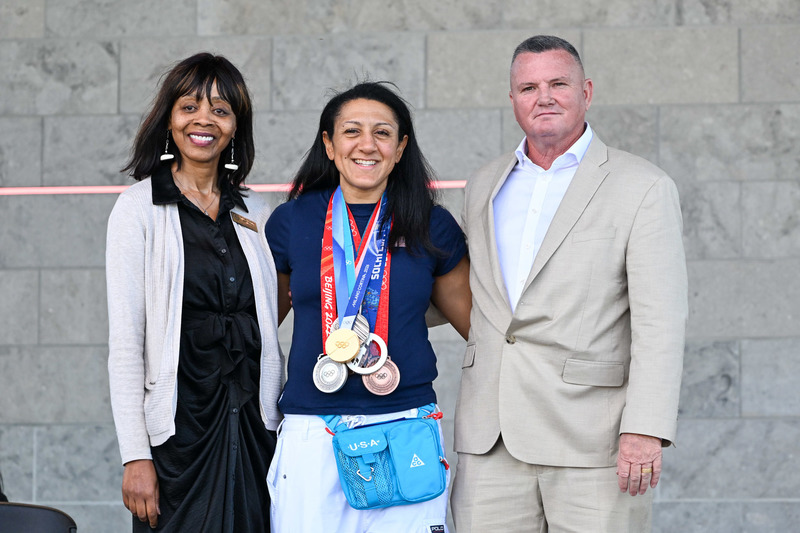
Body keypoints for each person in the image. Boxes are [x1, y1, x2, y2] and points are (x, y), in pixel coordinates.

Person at [450, 35, 688, 532]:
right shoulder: (483, 185)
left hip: (592, 441)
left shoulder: (642, 186)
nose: (544, 97)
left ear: (587, 91)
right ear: (512, 98)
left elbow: (660, 321)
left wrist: (645, 429)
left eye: (559, 83)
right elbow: (463, 291)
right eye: (528, 87)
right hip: (488, 438)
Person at [264, 81, 471, 532]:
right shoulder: (292, 221)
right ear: (329, 144)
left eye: (382, 133)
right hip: (313, 430)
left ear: (400, 148)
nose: (367, 144)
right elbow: (257, 326)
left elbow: (483, 329)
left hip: (404, 423)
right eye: (351, 131)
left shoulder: (431, 224)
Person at [106, 52, 283, 532]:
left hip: (252, 428)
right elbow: (126, 346)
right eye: (189, 107)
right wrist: (134, 456)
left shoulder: (258, 212)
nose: (204, 120)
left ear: (234, 128)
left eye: (221, 110)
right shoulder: (138, 209)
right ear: (170, 119)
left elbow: (274, 309)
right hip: (176, 438)